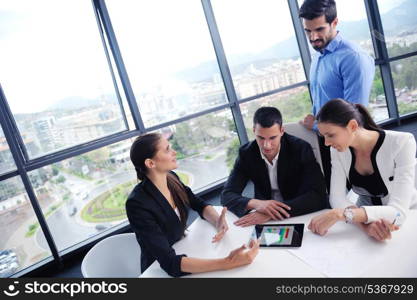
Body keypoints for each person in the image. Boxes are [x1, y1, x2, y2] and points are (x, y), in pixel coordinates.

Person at [126, 133, 259, 277]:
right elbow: (169, 263)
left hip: (183, 249)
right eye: (167, 149)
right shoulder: (137, 204)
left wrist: (217, 221)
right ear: (151, 163)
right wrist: (228, 262)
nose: (174, 152)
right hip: (158, 270)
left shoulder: (172, 179)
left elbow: (198, 204)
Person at [308, 99, 417, 241]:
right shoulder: (338, 151)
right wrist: (366, 226)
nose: (326, 143)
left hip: (408, 217)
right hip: (365, 219)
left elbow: (398, 213)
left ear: (352, 126)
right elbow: (337, 198)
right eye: (323, 137)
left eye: (331, 135)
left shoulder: (402, 142)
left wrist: (340, 215)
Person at [298, 0, 375, 191]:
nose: (313, 37)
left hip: (349, 142)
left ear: (335, 22)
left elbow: (354, 113)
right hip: (327, 139)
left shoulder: (353, 57)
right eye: (308, 31)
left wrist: (315, 125)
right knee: (334, 196)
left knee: (359, 197)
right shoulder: (319, 54)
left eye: (319, 29)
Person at [221, 107, 328, 227]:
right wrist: (257, 204)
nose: (266, 145)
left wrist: (273, 213)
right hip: (262, 214)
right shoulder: (247, 153)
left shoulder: (301, 149)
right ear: (254, 131)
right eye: (260, 138)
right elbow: (227, 195)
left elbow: (318, 196)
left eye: (272, 138)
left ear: (282, 131)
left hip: (297, 212)